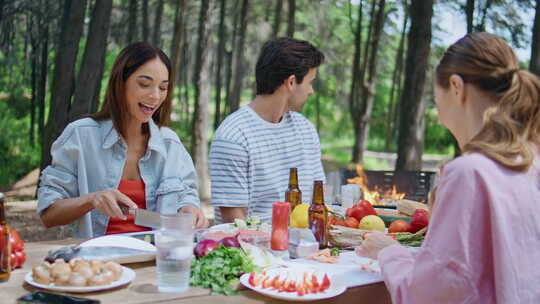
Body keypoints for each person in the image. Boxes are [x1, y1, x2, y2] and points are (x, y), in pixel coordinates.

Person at [356, 32, 540, 303]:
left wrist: (389, 252)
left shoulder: (470, 173)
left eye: (436, 98)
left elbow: (430, 294)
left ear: (456, 87)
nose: (440, 117)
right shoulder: (531, 161)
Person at [38, 42, 208, 238]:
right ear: (121, 82)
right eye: (144, 84)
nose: (155, 96)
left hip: (156, 260)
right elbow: (48, 214)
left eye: (163, 88)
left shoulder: (171, 144)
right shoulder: (80, 135)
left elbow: (187, 198)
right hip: (98, 263)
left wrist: (189, 209)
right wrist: (92, 200)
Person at [209, 37, 326, 223]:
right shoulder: (233, 137)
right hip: (255, 248)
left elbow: (319, 202)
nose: (311, 91)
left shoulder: (306, 130)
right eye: (310, 82)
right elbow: (235, 224)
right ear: (291, 82)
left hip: (309, 247)